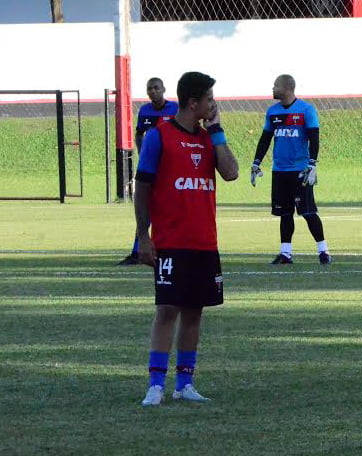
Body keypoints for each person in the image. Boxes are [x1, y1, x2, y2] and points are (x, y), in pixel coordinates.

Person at [135, 71, 239, 406]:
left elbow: (231, 172)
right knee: (167, 309)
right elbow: (143, 188)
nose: (214, 104)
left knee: (194, 312)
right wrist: (143, 236)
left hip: (204, 242)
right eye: (209, 99)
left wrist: (218, 131)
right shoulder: (159, 137)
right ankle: (155, 384)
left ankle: (184, 383)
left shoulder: (211, 139)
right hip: (171, 241)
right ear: (193, 102)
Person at [251, 74, 331, 265]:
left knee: (308, 212)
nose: (272, 89)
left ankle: (324, 251)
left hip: (300, 170)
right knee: (284, 213)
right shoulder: (272, 112)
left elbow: (314, 138)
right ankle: (285, 253)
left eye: (275, 86)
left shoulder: (306, 110)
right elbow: (265, 139)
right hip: (279, 170)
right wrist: (256, 162)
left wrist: (312, 164)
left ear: (287, 88)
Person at [117, 77, 179, 266]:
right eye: (149, 89)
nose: (153, 91)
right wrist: (143, 151)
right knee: (145, 207)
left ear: (163, 89)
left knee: (172, 209)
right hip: (152, 169)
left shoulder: (174, 109)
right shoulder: (144, 111)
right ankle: (137, 251)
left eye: (156, 88)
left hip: (170, 168)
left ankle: (173, 249)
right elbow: (138, 133)